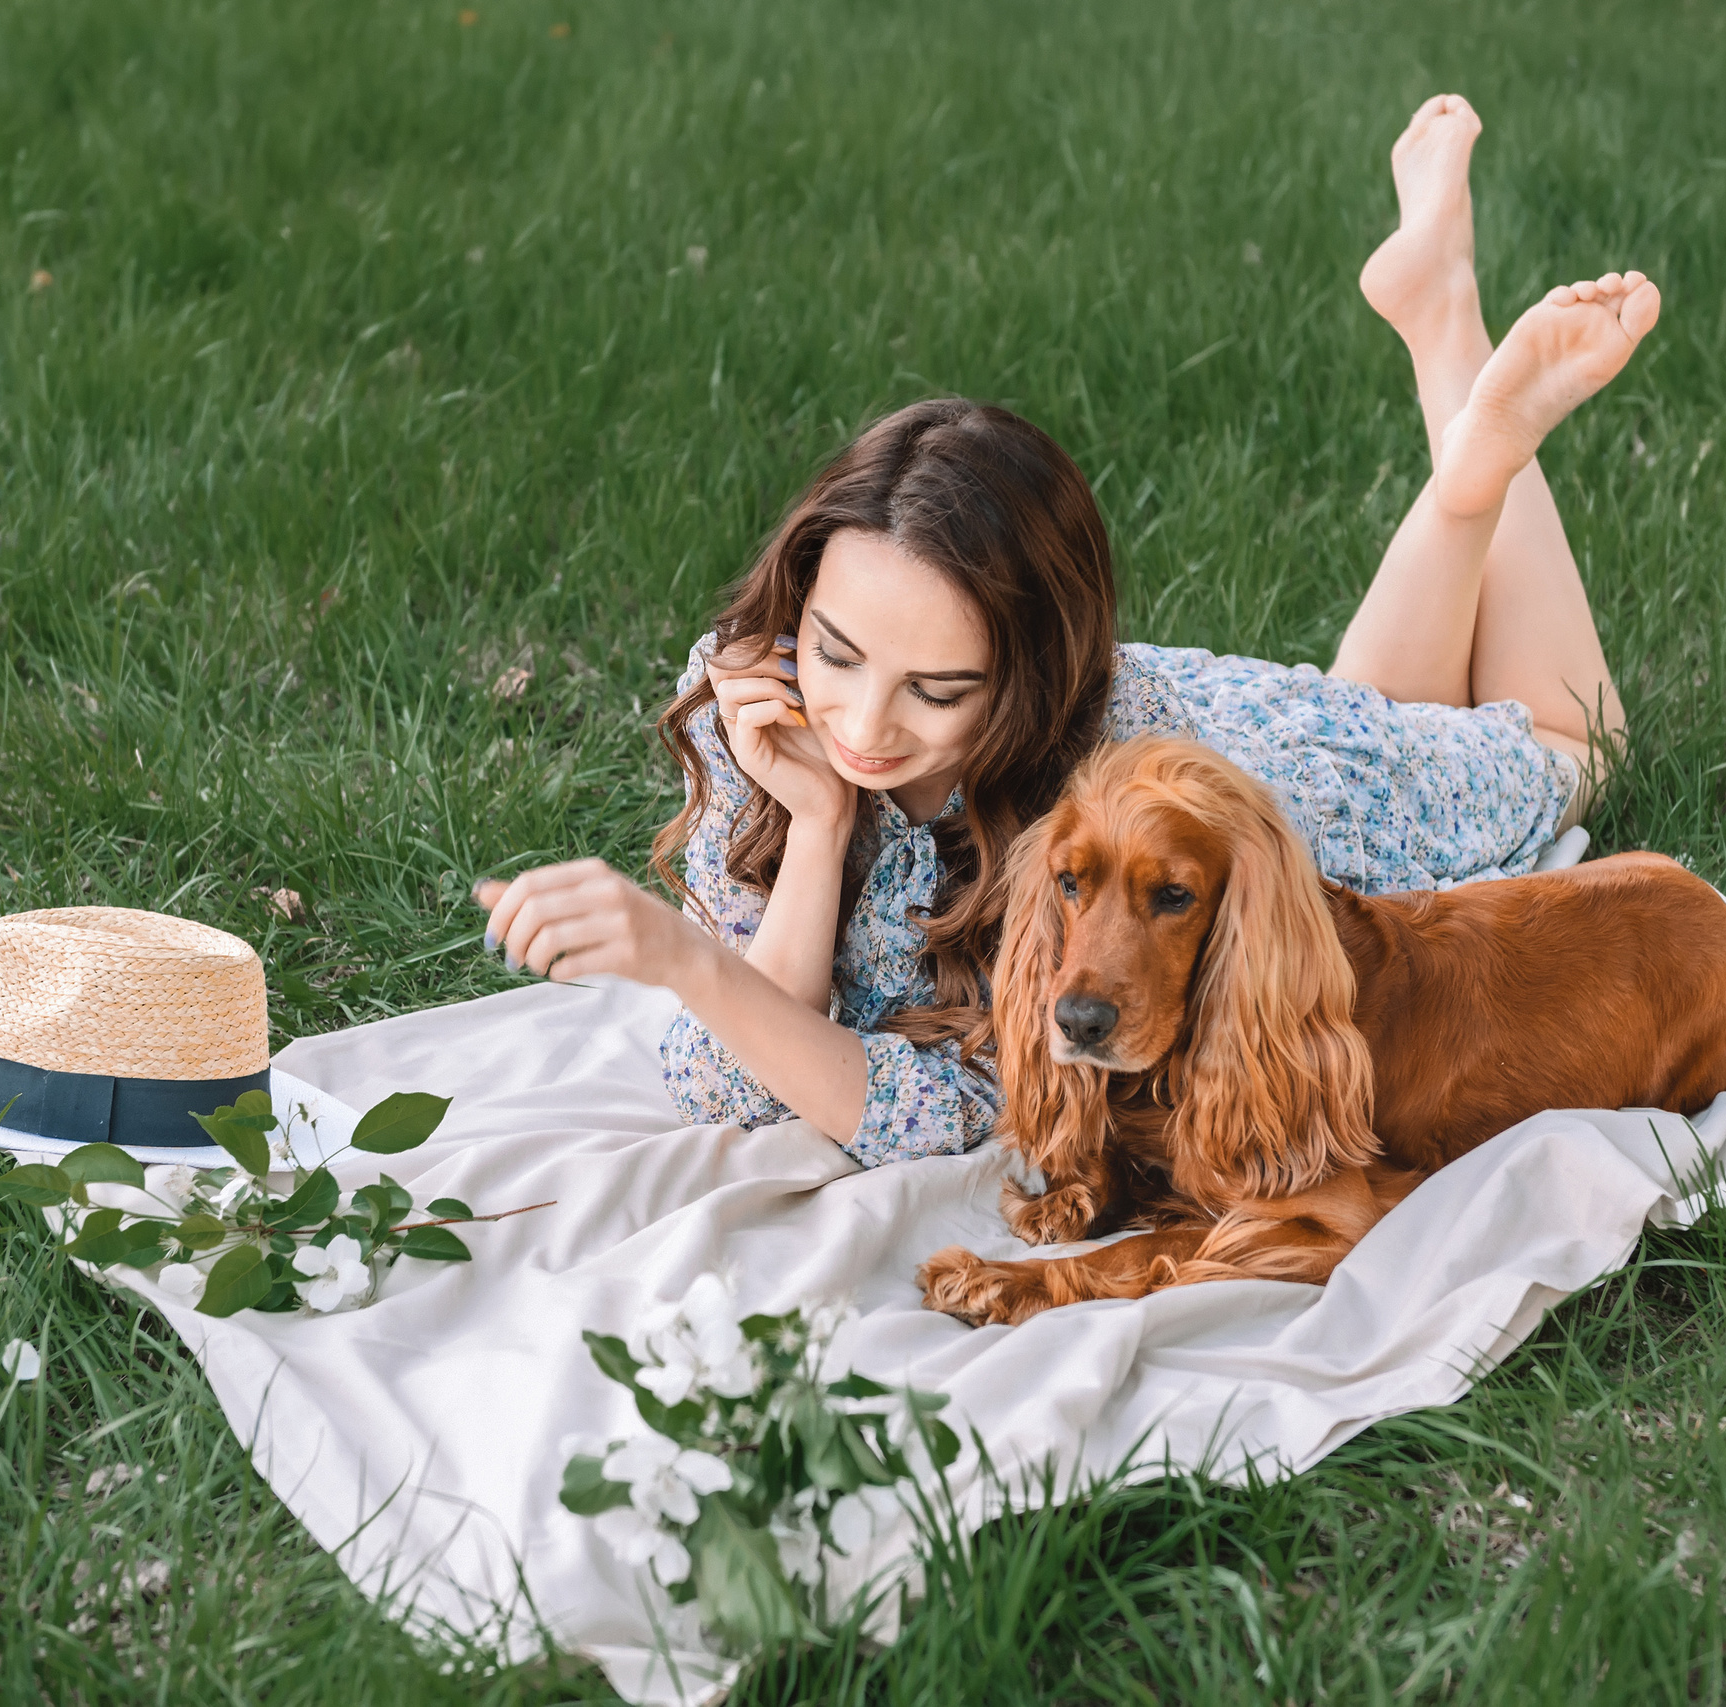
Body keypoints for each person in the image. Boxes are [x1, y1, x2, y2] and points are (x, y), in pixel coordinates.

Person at [476, 96, 1659, 1166]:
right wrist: (820, 827)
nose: (861, 724)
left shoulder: (1069, 825)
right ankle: (1445, 358)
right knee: (1370, 705)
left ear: (1029, 684)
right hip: (1225, 733)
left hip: (1273, 785)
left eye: (938, 690)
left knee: (1570, 744)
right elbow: (729, 1086)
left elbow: (940, 1109)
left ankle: (1474, 427)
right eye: (837, 651)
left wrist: (685, 961)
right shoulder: (759, 700)